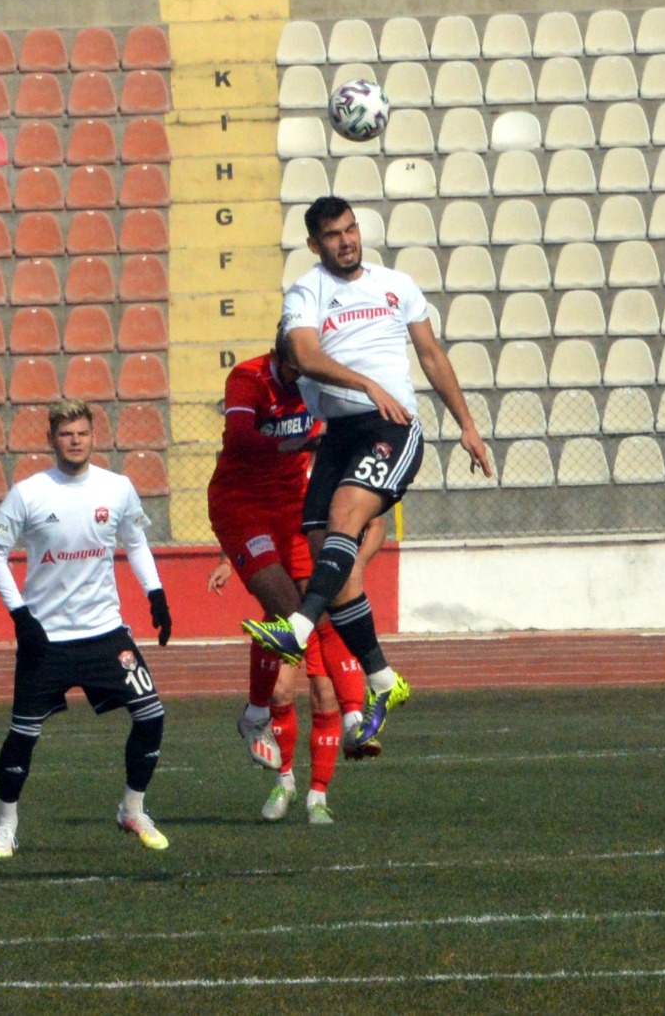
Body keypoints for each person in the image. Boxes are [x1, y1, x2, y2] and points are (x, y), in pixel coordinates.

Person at [244, 195, 491, 754]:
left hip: (391, 426)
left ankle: (299, 629)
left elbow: (430, 355)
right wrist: (363, 382)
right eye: (333, 234)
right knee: (331, 561)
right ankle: (383, 680)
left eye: (351, 229)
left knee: (342, 519)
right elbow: (304, 355)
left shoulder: (396, 284)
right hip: (340, 435)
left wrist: (467, 425)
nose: (346, 240)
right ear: (315, 244)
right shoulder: (307, 292)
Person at [0, 399, 175, 855]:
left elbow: (136, 542)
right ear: (51, 439)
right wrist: (20, 616)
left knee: (152, 715)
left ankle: (132, 809)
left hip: (106, 632)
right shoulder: (28, 493)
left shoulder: (118, 488)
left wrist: (156, 594)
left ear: (94, 437)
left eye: (82, 433)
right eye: (66, 434)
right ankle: (6, 825)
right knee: (23, 734)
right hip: (45, 638)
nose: (75, 441)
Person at [205, 338, 382, 821]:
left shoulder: (319, 386)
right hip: (242, 507)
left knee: (319, 611)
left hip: (292, 510)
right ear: (283, 357)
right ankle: (259, 715)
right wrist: (297, 442)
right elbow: (240, 438)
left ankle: (346, 726)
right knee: (289, 611)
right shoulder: (248, 377)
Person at [207, 515, 384, 824]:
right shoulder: (284, 469)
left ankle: (318, 796)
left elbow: (376, 524)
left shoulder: (338, 470)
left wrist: (357, 564)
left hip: (325, 605)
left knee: (325, 695)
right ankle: (284, 782)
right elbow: (243, 514)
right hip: (287, 602)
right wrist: (226, 561)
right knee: (278, 691)